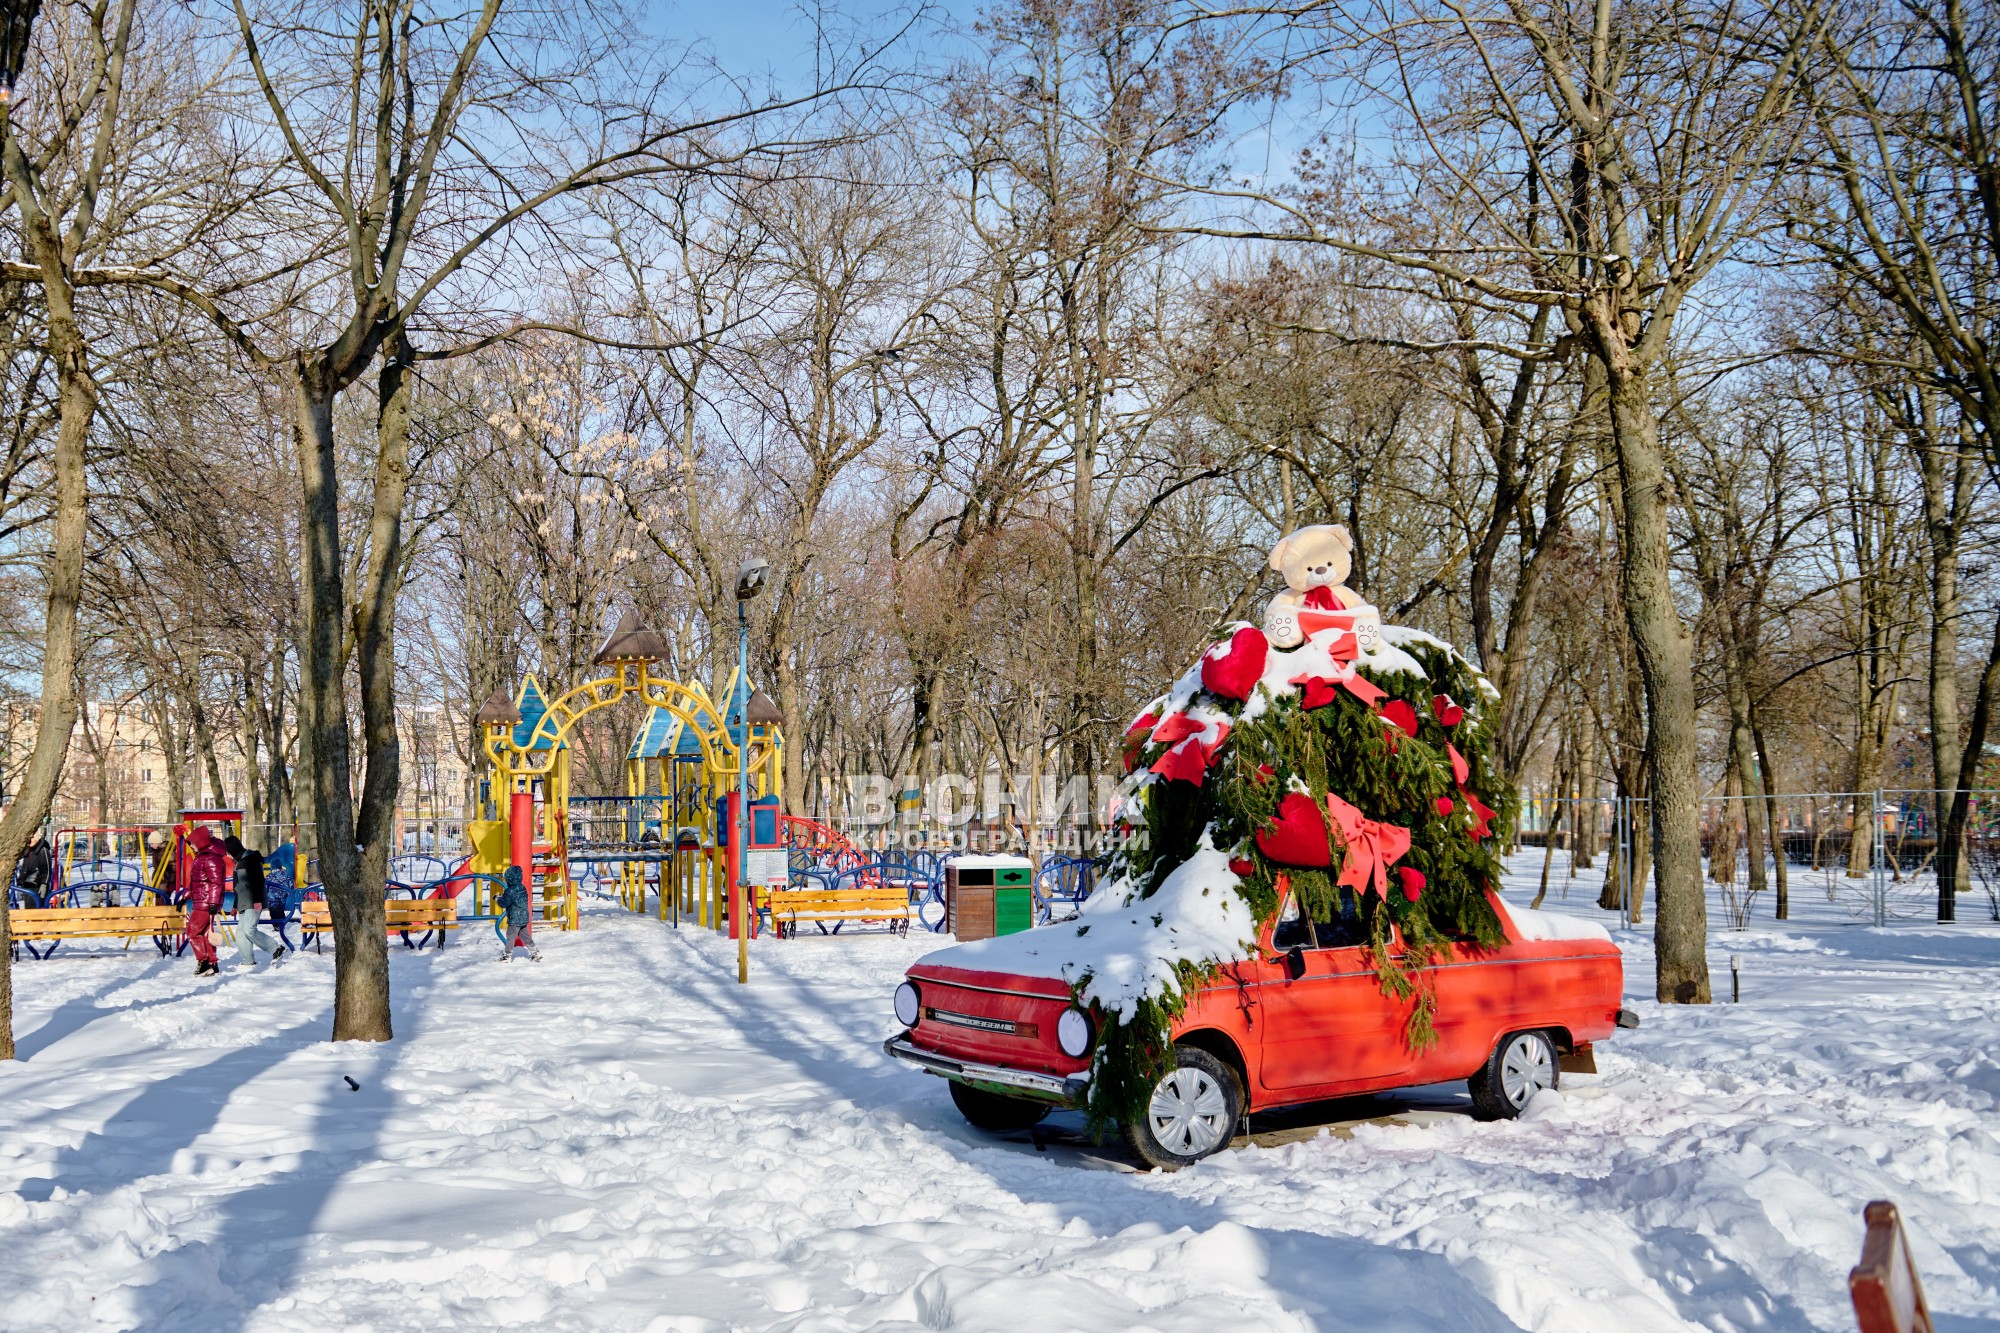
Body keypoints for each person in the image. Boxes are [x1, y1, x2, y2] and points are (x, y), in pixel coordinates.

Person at [224, 835, 284, 966]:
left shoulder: (251, 859)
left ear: (233, 849)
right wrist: (235, 905)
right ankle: (247, 961)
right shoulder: (238, 863)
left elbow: (258, 880)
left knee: (249, 930)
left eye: (228, 852)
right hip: (243, 903)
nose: (227, 855)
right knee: (241, 933)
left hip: (253, 902)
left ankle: (276, 949)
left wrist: (257, 900)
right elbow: (238, 887)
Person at [185, 827, 229, 977]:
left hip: (206, 902)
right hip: (202, 900)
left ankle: (203, 961)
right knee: (204, 934)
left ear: (201, 842)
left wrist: (212, 903)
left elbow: (216, 883)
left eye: (193, 843)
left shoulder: (211, 858)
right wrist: (186, 897)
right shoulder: (202, 856)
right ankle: (212, 963)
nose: (191, 846)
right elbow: (197, 882)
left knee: (192, 931)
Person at [496, 864, 541, 962]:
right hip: (523, 917)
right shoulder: (522, 887)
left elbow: (504, 903)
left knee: (510, 936)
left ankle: (507, 956)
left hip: (515, 918)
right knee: (525, 936)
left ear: (509, 879)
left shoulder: (510, 891)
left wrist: (497, 899)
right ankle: (534, 952)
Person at [13, 832, 52, 905]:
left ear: (37, 838)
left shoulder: (43, 851)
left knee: (37, 908)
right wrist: (20, 883)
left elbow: (47, 870)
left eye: (32, 838)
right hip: (27, 885)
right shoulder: (28, 851)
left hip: (38, 886)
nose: (30, 841)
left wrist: (44, 884)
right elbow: (24, 868)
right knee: (28, 907)